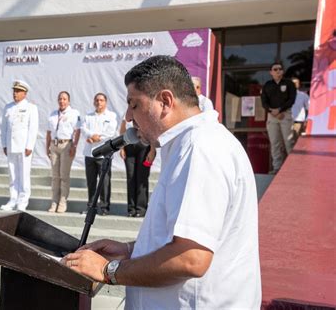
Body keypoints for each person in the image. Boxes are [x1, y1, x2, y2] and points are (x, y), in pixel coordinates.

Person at [62, 55, 261, 309]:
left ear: (165, 101)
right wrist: (131, 249)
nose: (128, 117)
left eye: (134, 105)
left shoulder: (199, 148)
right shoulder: (191, 143)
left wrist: (109, 270)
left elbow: (191, 258)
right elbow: (183, 239)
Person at [0, 80, 39, 211]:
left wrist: (30, 146)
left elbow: (33, 128)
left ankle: (22, 202)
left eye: (18, 91)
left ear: (24, 93)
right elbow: (4, 128)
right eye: (14, 91)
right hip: (11, 146)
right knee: (12, 174)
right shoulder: (8, 107)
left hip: (24, 147)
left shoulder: (31, 108)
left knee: (24, 175)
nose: (15, 93)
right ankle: (12, 199)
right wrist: (4, 144)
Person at [81, 93, 117, 216]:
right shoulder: (88, 116)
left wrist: (97, 138)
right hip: (90, 153)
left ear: (105, 102)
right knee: (91, 182)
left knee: (104, 182)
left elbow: (110, 132)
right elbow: (83, 128)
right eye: (97, 100)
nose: (99, 102)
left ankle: (104, 207)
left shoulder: (111, 116)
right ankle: (91, 206)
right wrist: (90, 136)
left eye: (101, 100)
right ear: (93, 102)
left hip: (103, 154)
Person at [46, 91, 81, 213]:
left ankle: (62, 202)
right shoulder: (53, 114)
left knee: (64, 176)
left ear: (68, 101)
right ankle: (54, 201)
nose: (62, 101)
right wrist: (47, 147)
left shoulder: (74, 113)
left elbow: (77, 131)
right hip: (54, 145)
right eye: (60, 99)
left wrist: (74, 146)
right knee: (55, 176)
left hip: (66, 145)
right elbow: (49, 132)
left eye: (64, 99)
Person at [261, 62, 296, 174]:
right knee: (275, 143)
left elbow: (292, 99)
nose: (278, 71)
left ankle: (293, 168)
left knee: (289, 142)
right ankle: (277, 168)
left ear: (283, 71)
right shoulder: (267, 85)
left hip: (285, 114)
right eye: (275, 69)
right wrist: (272, 111)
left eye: (280, 69)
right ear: (271, 72)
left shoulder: (289, 83)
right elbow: (263, 102)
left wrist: (280, 110)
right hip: (271, 116)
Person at [119, 118, 156, 217]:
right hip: (129, 148)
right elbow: (122, 131)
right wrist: (121, 148)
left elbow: (152, 133)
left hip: (144, 146)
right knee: (130, 177)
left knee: (142, 177)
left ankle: (141, 209)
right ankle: (131, 208)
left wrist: (152, 150)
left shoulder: (145, 111)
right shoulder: (127, 115)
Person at [290, 77, 310, 145]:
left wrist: (306, 120)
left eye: (296, 83)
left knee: (297, 143)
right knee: (287, 143)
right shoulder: (284, 95)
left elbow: (309, 109)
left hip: (298, 122)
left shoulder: (303, 95)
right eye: (293, 83)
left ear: (299, 84)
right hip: (286, 122)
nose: (295, 84)